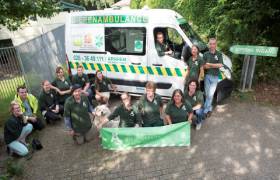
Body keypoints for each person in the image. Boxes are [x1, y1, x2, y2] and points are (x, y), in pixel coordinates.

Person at [203, 38, 223, 118]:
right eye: (210, 44)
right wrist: (211, 65)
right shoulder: (205, 54)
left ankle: (206, 110)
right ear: (209, 44)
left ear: (216, 44)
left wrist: (209, 64)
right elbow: (203, 66)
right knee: (208, 94)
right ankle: (209, 108)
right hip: (207, 76)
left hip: (215, 77)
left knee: (210, 94)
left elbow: (220, 65)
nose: (212, 45)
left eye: (213, 44)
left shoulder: (219, 54)